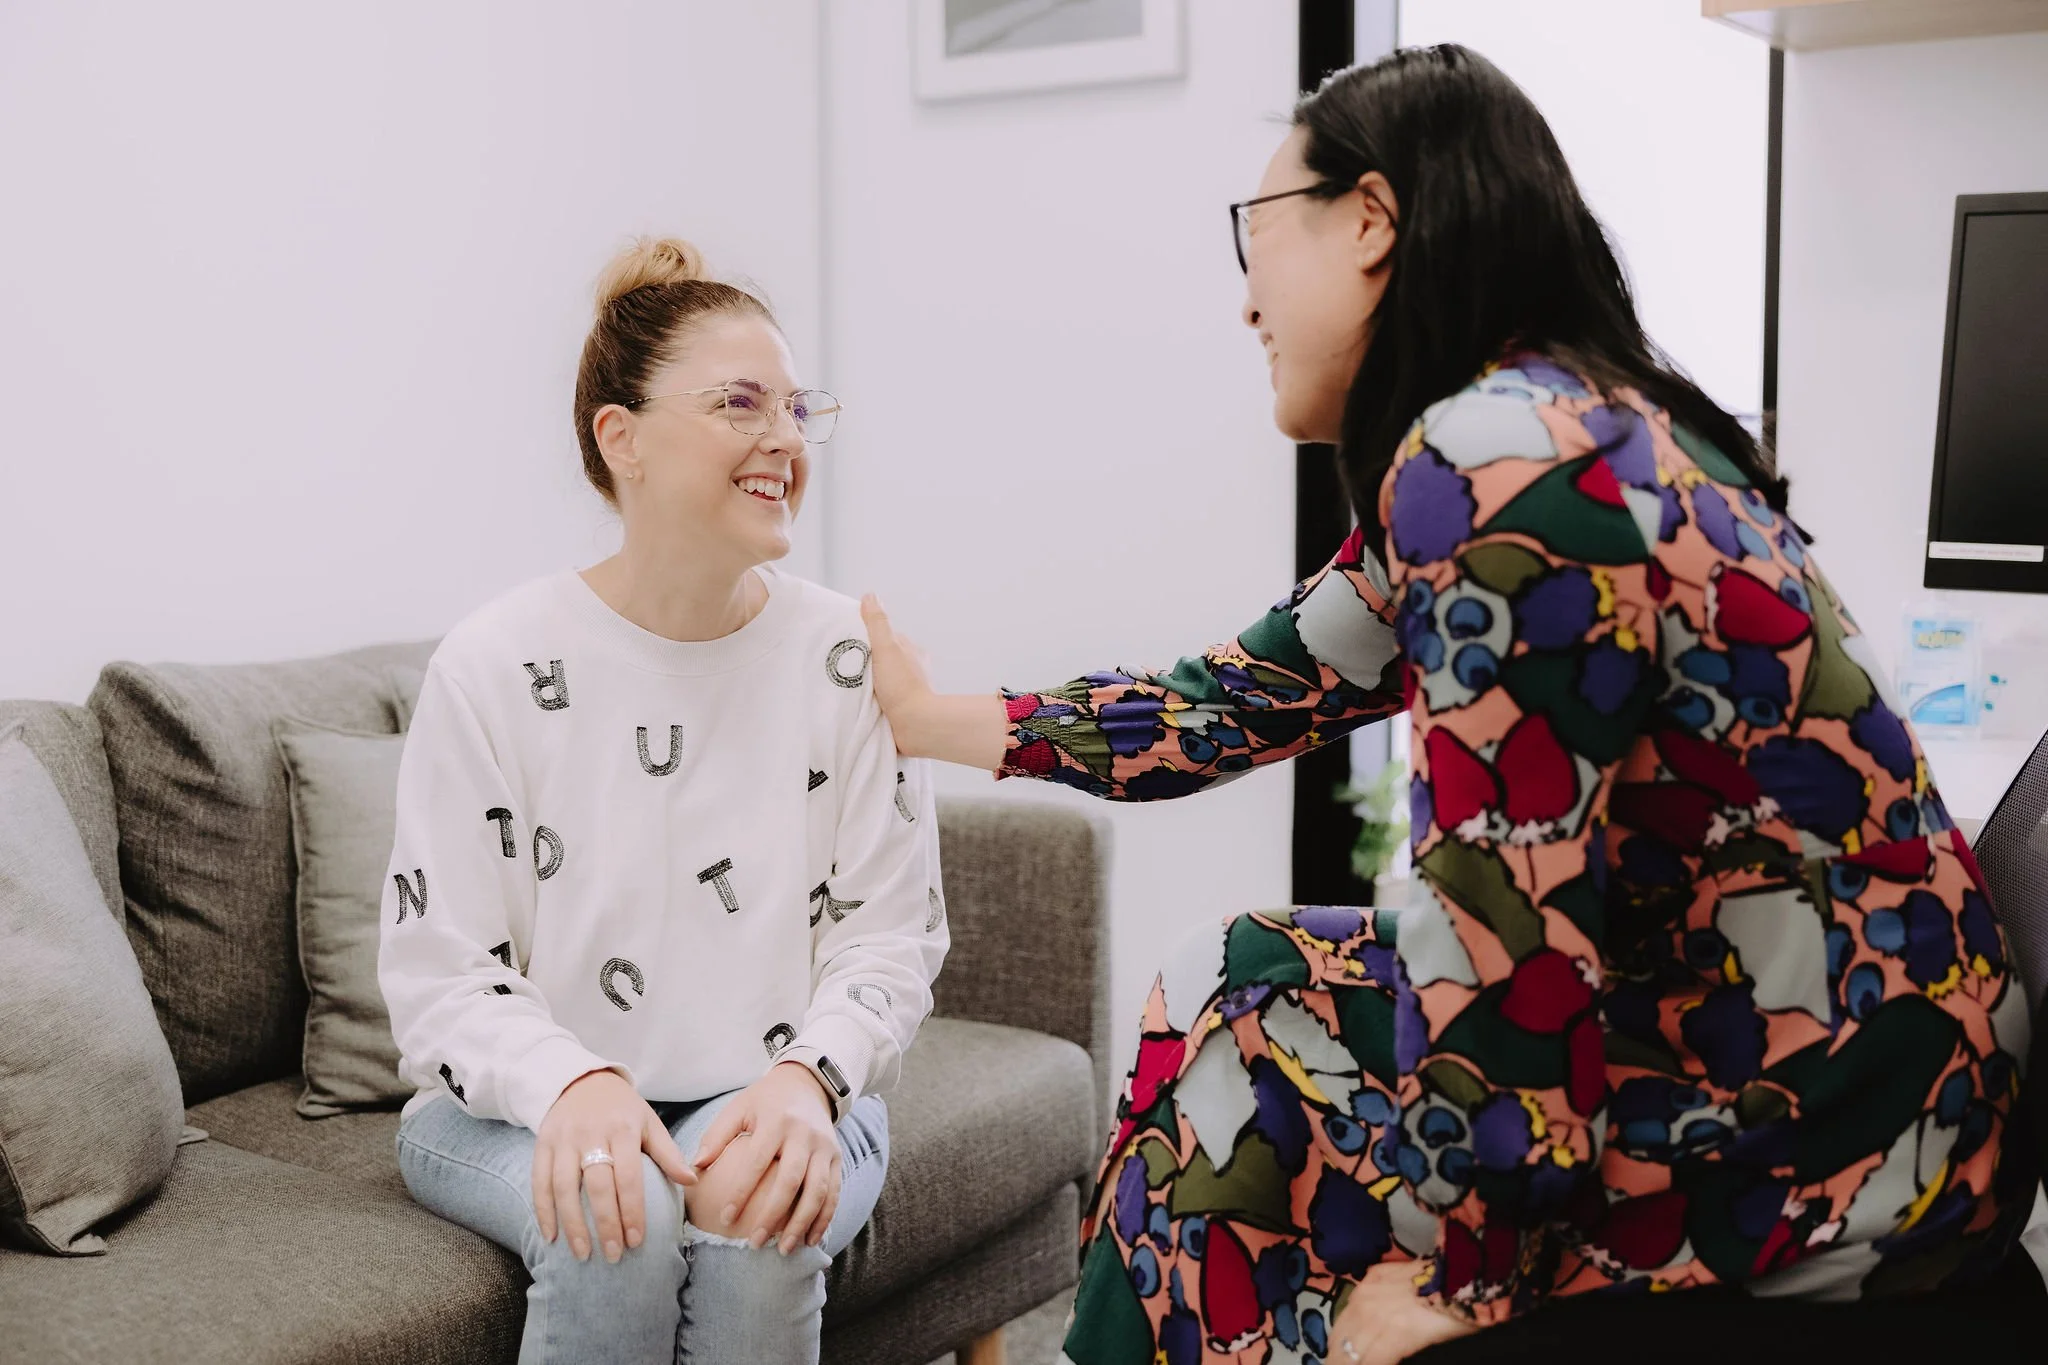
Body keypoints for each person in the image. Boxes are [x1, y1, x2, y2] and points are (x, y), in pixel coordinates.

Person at [857, 45, 2037, 1365]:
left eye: (1254, 232)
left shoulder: (1500, 465)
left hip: (1838, 1136)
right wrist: (932, 717)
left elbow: (1510, 931)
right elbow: (1231, 700)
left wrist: (1466, 1286)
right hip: (1828, 1063)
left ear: (1369, 221)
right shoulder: (1540, 431)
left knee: (1240, 1066)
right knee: (1232, 979)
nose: (1243, 293)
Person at [379, 237, 948, 1364]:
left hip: (777, 1085)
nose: (783, 439)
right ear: (619, 437)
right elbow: (438, 971)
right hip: (509, 1108)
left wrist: (806, 1080)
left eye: (794, 408)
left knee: (755, 1204)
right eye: (741, 404)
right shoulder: (493, 663)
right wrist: (571, 1082)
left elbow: (889, 939)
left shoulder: (844, 652)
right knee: (615, 1207)